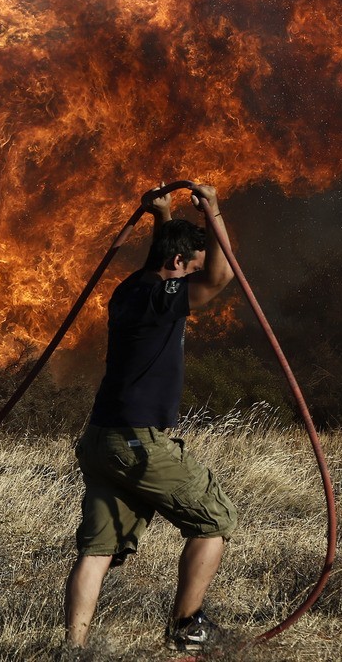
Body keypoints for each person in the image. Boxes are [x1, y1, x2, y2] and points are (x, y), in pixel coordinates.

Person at [64, 184, 237, 654]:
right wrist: (213, 213)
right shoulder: (163, 295)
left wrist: (162, 215)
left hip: (101, 440)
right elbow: (220, 278)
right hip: (138, 442)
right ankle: (187, 626)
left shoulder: (132, 289)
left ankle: (72, 649)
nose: (197, 277)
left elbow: (160, 262)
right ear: (179, 266)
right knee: (215, 519)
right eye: (192, 267)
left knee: (96, 550)